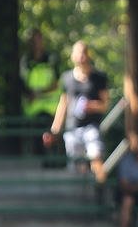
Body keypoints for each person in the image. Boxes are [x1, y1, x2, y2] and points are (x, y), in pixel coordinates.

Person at [44, 41, 109, 183]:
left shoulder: (98, 78)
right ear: (72, 56)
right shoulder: (66, 78)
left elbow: (105, 104)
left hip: (92, 126)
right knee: (76, 166)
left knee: (96, 156)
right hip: (72, 127)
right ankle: (82, 196)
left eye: (84, 53)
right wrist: (54, 130)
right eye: (78, 53)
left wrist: (91, 106)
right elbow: (63, 104)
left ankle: (101, 190)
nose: (81, 56)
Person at [19, 29, 60, 125]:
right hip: (32, 112)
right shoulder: (25, 61)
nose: (36, 44)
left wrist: (39, 94)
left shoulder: (52, 59)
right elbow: (21, 83)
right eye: (33, 41)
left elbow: (56, 84)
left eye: (38, 40)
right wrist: (30, 95)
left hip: (51, 112)